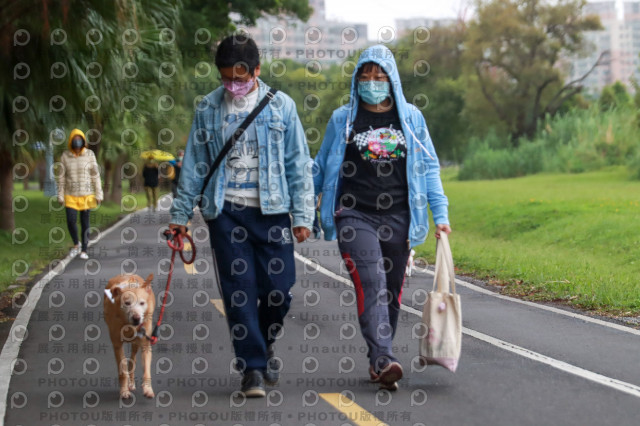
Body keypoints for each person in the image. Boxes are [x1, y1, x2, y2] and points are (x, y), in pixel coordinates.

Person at [169, 34, 314, 398]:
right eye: (225, 77)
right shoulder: (207, 109)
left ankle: (263, 346)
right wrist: (180, 214)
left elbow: (298, 164)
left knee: (279, 292)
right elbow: (195, 166)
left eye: (240, 76)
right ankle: (251, 367)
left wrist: (302, 216)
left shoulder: (282, 107)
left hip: (273, 212)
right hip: (226, 213)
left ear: (257, 70)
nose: (233, 84)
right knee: (239, 293)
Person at [313, 44, 452, 391]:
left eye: (380, 76)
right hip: (354, 213)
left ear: (392, 80)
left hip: (401, 215)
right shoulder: (342, 119)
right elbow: (319, 168)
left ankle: (380, 356)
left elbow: (430, 167)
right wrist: (301, 212)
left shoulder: (412, 119)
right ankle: (383, 358)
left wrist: (441, 215)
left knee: (391, 291)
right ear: (357, 79)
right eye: (366, 75)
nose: (373, 82)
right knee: (372, 282)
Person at [57, 129, 103, 260]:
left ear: (83, 141)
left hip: (86, 194)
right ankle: (76, 243)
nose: (77, 141)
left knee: (85, 223)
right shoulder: (65, 156)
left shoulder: (89, 154)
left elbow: (95, 175)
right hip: (70, 194)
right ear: (71, 141)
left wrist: (98, 193)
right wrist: (60, 195)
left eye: (80, 139)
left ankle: (84, 250)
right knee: (71, 221)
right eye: (75, 139)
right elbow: (61, 177)